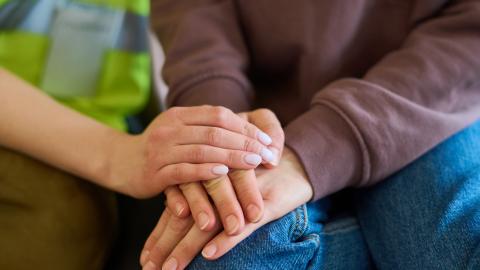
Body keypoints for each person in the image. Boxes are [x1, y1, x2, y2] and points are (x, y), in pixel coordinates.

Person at [141, 0, 480, 269]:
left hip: (425, 113)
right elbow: (194, 18)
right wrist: (221, 132)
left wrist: (316, 153)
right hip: (266, 130)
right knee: (222, 254)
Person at [0, 1, 277, 269]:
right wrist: (116, 154)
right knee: (62, 216)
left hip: (111, 122)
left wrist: (195, 144)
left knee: (180, 221)